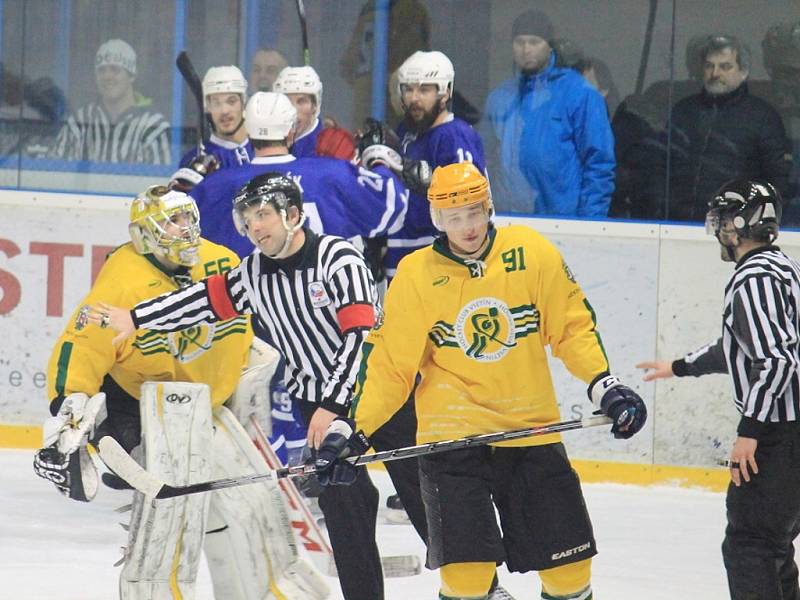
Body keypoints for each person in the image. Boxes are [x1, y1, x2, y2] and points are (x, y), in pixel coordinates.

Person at [313, 162, 647, 600]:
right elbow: (391, 368)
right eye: (454, 218)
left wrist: (603, 384)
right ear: (437, 220)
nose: (467, 227)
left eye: (474, 212)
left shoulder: (531, 253)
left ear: (488, 207)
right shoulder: (416, 274)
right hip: (452, 444)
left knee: (569, 571)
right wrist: (353, 429)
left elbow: (571, 329)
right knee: (467, 579)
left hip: (530, 433)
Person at [93, 173, 428, 600]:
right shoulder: (252, 272)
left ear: (292, 214)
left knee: (424, 492)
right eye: (247, 219)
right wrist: (135, 318)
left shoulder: (337, 258)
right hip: (318, 401)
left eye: (263, 215)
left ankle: (477, 586)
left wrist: (334, 406)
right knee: (344, 504)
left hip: (381, 394)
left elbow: (359, 341)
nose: (255, 228)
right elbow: (200, 300)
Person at [32, 185, 327, 599]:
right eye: (172, 221)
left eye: (188, 218)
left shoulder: (220, 260)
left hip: (214, 410)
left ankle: (272, 590)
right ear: (145, 234)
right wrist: (69, 410)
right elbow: (80, 347)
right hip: (152, 412)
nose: (185, 229)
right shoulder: (124, 279)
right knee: (171, 520)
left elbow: (266, 312)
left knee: (254, 509)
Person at [637, 179, 800, 600]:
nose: (721, 229)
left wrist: (750, 432)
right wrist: (679, 367)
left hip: (780, 438)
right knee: (773, 546)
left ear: (745, 223)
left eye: (726, 219)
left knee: (750, 545)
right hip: (789, 435)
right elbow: (739, 350)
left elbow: (777, 361)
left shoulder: (753, 280)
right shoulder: (781, 268)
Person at [189, 91, 408, 263]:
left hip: (251, 311)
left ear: (249, 128)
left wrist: (185, 185)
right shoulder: (333, 174)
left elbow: (177, 233)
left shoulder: (217, 186)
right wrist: (379, 159)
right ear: (291, 128)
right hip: (324, 306)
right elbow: (392, 205)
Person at [639, 35, 792, 221]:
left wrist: (754, 222)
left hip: (736, 229)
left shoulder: (763, 116)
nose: (715, 73)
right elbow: (659, 166)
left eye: (725, 66)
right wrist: (660, 209)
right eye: (709, 66)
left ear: (743, 72)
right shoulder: (683, 111)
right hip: (678, 224)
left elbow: (777, 180)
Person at [483, 10, 615, 216]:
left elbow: (599, 163)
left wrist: (590, 223)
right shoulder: (500, 97)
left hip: (561, 223)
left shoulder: (579, 94)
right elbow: (484, 159)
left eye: (534, 42)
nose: (526, 49)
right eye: (519, 42)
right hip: (506, 221)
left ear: (549, 45)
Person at [378, 49, 485, 280]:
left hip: (440, 258)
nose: (414, 98)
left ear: (445, 93)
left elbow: (469, 201)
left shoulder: (454, 135)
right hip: (402, 253)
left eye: (424, 89)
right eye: (408, 89)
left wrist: (430, 183)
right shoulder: (406, 132)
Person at [51, 39, 171, 164]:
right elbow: (55, 170)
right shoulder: (79, 122)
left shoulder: (154, 127)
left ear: (132, 76)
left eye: (115, 69)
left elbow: (159, 181)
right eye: (101, 70)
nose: (107, 76)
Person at [272, 65, 324, 158]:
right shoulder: (263, 143)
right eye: (286, 101)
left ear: (315, 106)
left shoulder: (329, 148)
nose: (293, 110)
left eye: (301, 101)